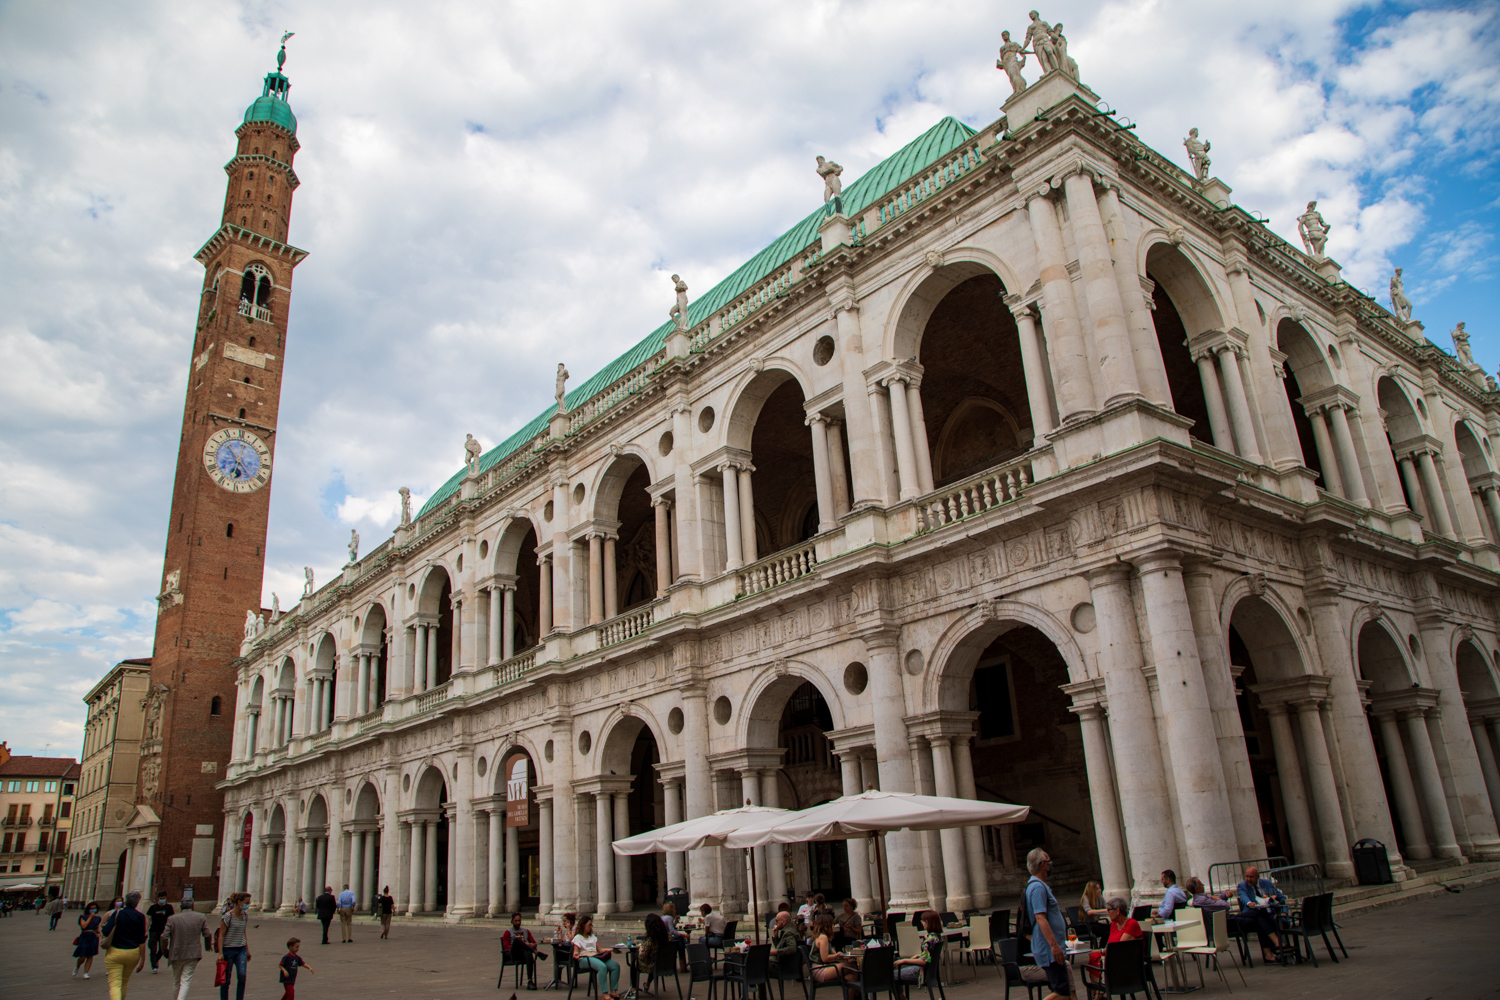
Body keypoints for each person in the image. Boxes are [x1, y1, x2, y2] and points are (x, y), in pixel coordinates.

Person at [1021, 848, 1072, 1000]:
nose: (1051, 865)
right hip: (1049, 950)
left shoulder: (1038, 886)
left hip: (1050, 948)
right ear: (1043, 865)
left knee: (1063, 990)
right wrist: (1054, 946)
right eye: (1049, 862)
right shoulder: (1037, 887)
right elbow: (1040, 918)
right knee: (1062, 993)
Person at [1082, 897, 1141, 988]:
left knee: (1096, 955)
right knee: (1094, 956)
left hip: (1128, 962)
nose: (1107, 913)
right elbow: (1110, 945)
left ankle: (1101, 990)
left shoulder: (1131, 924)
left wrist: (1100, 951)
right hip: (1114, 958)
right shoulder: (1114, 924)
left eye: (1109, 910)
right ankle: (1101, 990)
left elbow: (1117, 948)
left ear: (1118, 911)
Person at [100, 889, 149, 1000]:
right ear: (137, 902)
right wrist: (142, 960)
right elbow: (142, 939)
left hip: (115, 951)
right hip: (133, 953)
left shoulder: (118, 914)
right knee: (124, 982)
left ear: (125, 901)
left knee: (115, 984)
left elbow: (106, 931)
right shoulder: (140, 916)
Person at [162, 898, 213, 1000]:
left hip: (176, 953)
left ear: (181, 906)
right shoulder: (200, 917)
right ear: (193, 905)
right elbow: (207, 934)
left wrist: (165, 951)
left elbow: (164, 936)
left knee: (176, 981)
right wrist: (208, 945)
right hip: (193, 953)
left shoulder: (172, 919)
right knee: (186, 980)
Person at [1236, 866, 1287, 964]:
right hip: (1251, 914)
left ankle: (1269, 955)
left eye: (1251, 877)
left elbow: (1282, 899)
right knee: (1259, 914)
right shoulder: (1242, 886)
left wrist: (1284, 912)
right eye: (1247, 876)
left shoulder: (1266, 883)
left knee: (1261, 922)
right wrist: (1249, 903)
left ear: (1257, 876)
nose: (1248, 879)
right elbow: (1243, 897)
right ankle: (1278, 944)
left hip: (1268, 914)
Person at [572, 914, 621, 1000]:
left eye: (591, 925)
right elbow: (576, 951)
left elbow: (600, 950)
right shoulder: (578, 937)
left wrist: (612, 950)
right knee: (602, 967)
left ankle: (613, 991)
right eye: (589, 925)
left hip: (595, 956)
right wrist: (575, 954)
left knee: (615, 966)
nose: (591, 927)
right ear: (583, 925)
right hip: (584, 958)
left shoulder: (592, 937)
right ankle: (604, 993)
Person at [808, 911, 858, 988]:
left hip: (822, 968)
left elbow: (835, 954)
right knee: (852, 965)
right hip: (820, 970)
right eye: (832, 924)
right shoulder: (823, 937)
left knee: (852, 977)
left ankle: (854, 997)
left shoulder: (824, 937)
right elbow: (825, 958)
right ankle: (861, 995)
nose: (833, 926)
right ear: (827, 926)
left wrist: (845, 956)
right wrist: (836, 956)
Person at [219, 892, 253, 1000]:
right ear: (239, 902)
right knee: (226, 979)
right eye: (246, 902)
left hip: (241, 949)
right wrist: (220, 953)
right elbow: (221, 935)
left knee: (242, 976)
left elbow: (243, 932)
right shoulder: (228, 916)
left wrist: (247, 950)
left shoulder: (245, 916)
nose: (248, 904)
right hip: (228, 950)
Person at [893, 910, 941, 986]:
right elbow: (930, 956)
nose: (922, 923)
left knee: (891, 975)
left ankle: (900, 997)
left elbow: (924, 962)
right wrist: (920, 956)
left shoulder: (929, 939)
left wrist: (905, 960)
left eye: (923, 921)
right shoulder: (936, 937)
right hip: (929, 972)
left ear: (929, 922)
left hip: (921, 972)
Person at [504, 911, 540, 989]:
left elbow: (533, 942)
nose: (517, 923)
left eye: (519, 921)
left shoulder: (526, 931)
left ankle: (530, 981)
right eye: (516, 921)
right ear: (512, 921)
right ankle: (536, 952)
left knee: (527, 952)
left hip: (524, 954)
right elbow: (506, 946)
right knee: (517, 940)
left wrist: (532, 945)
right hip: (513, 954)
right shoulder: (508, 932)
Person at [73, 901, 104, 978]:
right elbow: (83, 926)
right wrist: (90, 917)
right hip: (85, 936)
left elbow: (97, 927)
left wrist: (99, 932)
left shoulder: (98, 918)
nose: (93, 910)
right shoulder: (82, 917)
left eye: (94, 908)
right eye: (91, 908)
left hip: (93, 937)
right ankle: (77, 966)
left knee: (90, 955)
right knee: (82, 955)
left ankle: (86, 972)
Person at [639, 912, 669, 987]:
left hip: (653, 965)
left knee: (634, 963)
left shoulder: (650, 940)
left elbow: (643, 957)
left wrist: (640, 951)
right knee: (654, 961)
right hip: (666, 964)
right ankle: (647, 984)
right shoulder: (667, 937)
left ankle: (633, 988)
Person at [146, 892, 174, 973]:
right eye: (161, 898)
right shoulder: (153, 907)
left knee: (162, 948)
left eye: (163, 898)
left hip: (164, 930)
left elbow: (170, 919)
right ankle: (154, 966)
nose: (162, 900)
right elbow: (148, 919)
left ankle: (156, 959)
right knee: (153, 948)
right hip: (153, 930)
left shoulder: (169, 907)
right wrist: (146, 930)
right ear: (158, 898)